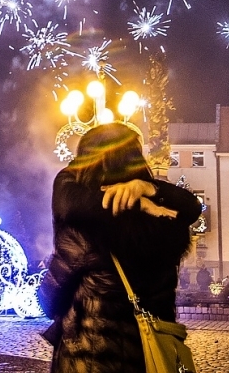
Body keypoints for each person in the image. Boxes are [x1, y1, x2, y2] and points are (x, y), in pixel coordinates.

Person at [40, 123, 202, 372]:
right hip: (151, 355)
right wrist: (149, 190)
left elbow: (49, 298)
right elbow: (191, 207)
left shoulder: (85, 230)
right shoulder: (163, 217)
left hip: (94, 356)